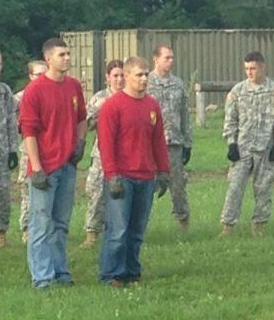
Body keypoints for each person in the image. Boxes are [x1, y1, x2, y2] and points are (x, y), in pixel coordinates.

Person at [19, 38, 87, 288]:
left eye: (68, 54)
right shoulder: (35, 91)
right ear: (48, 59)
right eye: (62, 54)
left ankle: (61, 271)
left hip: (67, 165)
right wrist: (36, 169)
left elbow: (82, 117)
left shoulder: (73, 86)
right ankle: (43, 276)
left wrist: (80, 143)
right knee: (40, 223)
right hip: (44, 168)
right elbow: (29, 132)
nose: (67, 58)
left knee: (61, 222)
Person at [97, 56, 170, 287]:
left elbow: (158, 141)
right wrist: (112, 176)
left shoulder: (152, 105)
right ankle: (112, 274)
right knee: (117, 231)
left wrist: (164, 171)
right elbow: (105, 144)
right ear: (126, 76)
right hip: (121, 177)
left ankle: (132, 271)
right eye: (139, 75)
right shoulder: (112, 106)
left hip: (146, 177)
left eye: (146, 74)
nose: (144, 79)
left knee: (137, 231)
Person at [219, 51, 274, 237]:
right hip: (243, 148)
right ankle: (228, 226)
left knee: (263, 189)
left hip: (266, 148)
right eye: (246, 69)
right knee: (235, 188)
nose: (249, 72)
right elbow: (231, 119)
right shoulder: (238, 91)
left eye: (253, 68)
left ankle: (259, 226)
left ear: (262, 67)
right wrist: (231, 143)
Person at [80, 60, 125, 249]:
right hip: (102, 153)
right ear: (107, 78)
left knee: (123, 194)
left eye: (122, 75)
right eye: (115, 76)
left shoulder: (131, 96)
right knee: (97, 193)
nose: (119, 79)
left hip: (125, 154)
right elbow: (86, 124)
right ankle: (92, 233)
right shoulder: (99, 98)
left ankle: (121, 232)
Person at [147, 45, 192, 231]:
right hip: (149, 143)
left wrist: (187, 143)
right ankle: (141, 224)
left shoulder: (178, 84)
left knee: (178, 184)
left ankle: (183, 222)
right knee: (146, 184)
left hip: (173, 142)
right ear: (155, 59)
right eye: (167, 58)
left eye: (172, 58)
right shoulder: (146, 82)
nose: (170, 61)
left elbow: (185, 115)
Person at [14, 61, 48, 243]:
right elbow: (4, 117)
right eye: (37, 75)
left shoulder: (51, 94)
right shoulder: (21, 97)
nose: (41, 79)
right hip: (28, 151)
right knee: (27, 191)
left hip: (48, 151)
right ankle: (26, 228)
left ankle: (45, 229)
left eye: (45, 74)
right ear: (30, 76)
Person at [0, 49, 19, 249]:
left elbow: (11, 121)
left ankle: (0, 234)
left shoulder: (5, 91)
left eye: (0, 64)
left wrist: (13, 150)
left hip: (2, 150)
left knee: (2, 193)